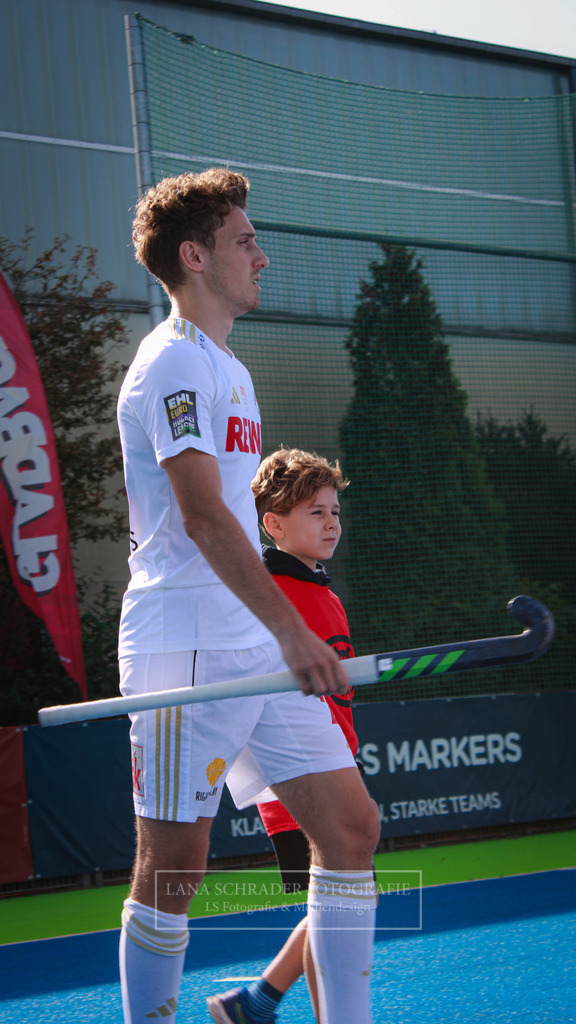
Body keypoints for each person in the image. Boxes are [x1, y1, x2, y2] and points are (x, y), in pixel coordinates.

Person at [116, 168, 380, 1024]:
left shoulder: (227, 364)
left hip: (252, 642)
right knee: (175, 867)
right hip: (182, 644)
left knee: (349, 829)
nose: (261, 258)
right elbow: (202, 516)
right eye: (244, 241)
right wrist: (296, 635)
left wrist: (276, 637)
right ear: (194, 256)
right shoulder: (171, 366)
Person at [208, 447, 369, 1024]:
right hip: (294, 777)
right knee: (341, 897)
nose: (331, 523)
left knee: (345, 895)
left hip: (334, 760)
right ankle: (271, 1006)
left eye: (333, 511)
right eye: (314, 513)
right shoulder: (266, 595)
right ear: (273, 524)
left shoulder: (320, 588)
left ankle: (255, 1004)